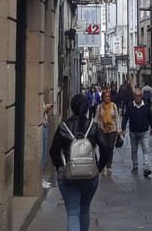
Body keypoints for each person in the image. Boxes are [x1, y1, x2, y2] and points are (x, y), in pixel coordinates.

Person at [49, 93, 108, 231]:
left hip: (68, 174)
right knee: (84, 209)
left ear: (72, 108)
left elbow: (54, 151)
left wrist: (60, 167)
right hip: (90, 176)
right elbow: (106, 148)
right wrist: (98, 168)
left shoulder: (63, 127)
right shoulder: (93, 127)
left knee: (73, 212)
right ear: (87, 108)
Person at [121, 88, 152, 176]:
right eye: (136, 96)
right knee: (134, 150)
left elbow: (150, 117)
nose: (137, 97)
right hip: (133, 132)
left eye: (139, 96)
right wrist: (123, 129)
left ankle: (146, 167)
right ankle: (135, 165)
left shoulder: (146, 105)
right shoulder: (130, 106)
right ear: (134, 96)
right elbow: (125, 117)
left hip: (145, 131)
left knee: (146, 149)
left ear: (141, 96)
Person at [93, 90, 120, 175]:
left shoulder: (113, 106)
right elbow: (96, 119)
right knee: (102, 147)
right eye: (106, 96)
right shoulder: (99, 107)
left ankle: (109, 165)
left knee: (110, 147)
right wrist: (93, 128)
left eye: (108, 96)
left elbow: (116, 118)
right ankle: (102, 165)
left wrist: (118, 129)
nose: (107, 98)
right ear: (103, 98)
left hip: (112, 129)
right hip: (102, 130)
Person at [41, 101, 54, 188]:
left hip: (44, 125)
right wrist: (45, 109)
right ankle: (40, 180)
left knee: (44, 153)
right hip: (42, 126)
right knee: (42, 153)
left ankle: (41, 178)